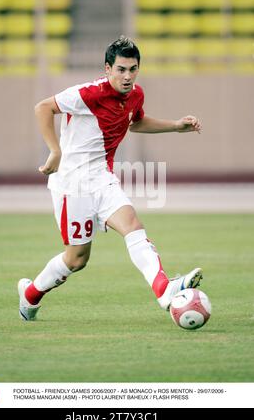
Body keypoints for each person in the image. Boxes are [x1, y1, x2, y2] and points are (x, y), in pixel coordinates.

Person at [18, 36, 202, 321]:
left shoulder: (136, 94)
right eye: (121, 69)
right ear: (107, 68)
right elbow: (43, 107)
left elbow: (136, 121)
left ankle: (165, 290)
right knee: (77, 259)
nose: (127, 76)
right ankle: (30, 294)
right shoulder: (88, 94)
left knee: (133, 226)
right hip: (72, 183)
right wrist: (55, 150)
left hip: (102, 178)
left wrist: (176, 126)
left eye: (133, 69)